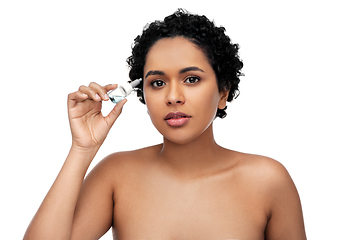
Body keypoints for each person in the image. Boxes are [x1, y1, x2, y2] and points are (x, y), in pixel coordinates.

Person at [24, 9, 306, 240]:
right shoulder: (116, 175)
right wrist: (82, 148)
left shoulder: (268, 181)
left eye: (191, 79)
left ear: (223, 92)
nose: (172, 97)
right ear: (143, 94)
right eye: (157, 83)